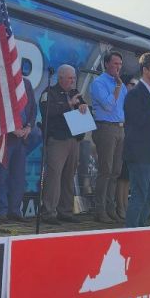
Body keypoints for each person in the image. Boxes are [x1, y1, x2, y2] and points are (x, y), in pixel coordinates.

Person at [0, 77, 37, 223]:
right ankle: (0, 211)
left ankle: (15, 210)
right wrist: (12, 128)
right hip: (5, 137)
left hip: (22, 137)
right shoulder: (2, 82)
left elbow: (32, 107)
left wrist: (29, 126)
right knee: (0, 176)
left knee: (18, 177)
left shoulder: (26, 83)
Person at [123, 53, 150, 228]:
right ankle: (131, 233)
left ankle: (141, 230)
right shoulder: (135, 94)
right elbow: (138, 121)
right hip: (140, 154)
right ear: (145, 70)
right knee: (139, 196)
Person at [40, 64, 89, 224]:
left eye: (74, 77)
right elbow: (47, 110)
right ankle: (49, 212)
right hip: (57, 140)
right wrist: (68, 105)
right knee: (54, 176)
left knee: (69, 177)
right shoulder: (50, 93)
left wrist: (83, 107)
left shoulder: (76, 93)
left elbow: (85, 114)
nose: (73, 81)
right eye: (70, 78)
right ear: (60, 78)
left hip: (73, 139)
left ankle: (65, 211)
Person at [88, 50, 127, 224]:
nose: (118, 67)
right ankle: (100, 209)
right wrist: (118, 87)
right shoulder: (99, 83)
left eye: (120, 64)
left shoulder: (121, 84)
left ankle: (111, 208)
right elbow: (109, 105)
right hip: (105, 128)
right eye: (115, 63)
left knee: (116, 171)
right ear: (106, 64)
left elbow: (125, 106)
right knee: (106, 169)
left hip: (120, 128)